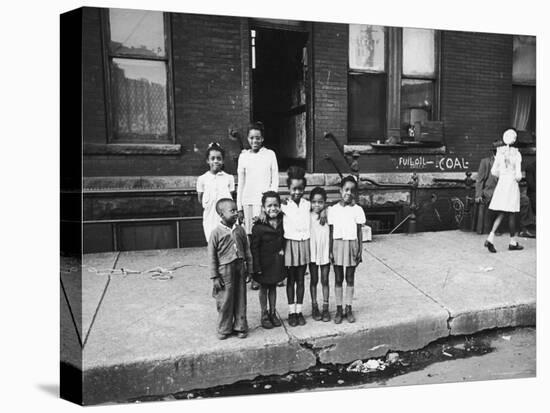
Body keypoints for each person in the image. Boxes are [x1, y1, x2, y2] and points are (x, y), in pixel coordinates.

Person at [236, 122, 279, 290]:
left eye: (258, 138)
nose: (255, 141)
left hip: (264, 204)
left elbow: (274, 180)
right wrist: (239, 206)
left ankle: (267, 274)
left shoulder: (269, 155)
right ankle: (253, 274)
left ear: (262, 138)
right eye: (252, 138)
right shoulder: (244, 156)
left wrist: (268, 204)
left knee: (264, 241)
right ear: (248, 139)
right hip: (247, 202)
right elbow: (241, 183)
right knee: (250, 242)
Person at [208, 198, 253, 340]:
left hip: (240, 267)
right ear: (221, 214)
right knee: (225, 299)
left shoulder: (240, 230)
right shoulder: (216, 233)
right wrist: (214, 276)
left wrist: (250, 269)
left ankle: (240, 326)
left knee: (240, 297)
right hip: (224, 270)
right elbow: (211, 256)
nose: (235, 213)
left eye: (236, 210)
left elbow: (247, 250)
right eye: (232, 211)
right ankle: (224, 328)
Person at [475, 140, 535, 237]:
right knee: (505, 207)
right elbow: (480, 180)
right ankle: (498, 232)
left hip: (508, 190)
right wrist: (478, 195)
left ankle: (525, 228)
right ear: (494, 151)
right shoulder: (485, 162)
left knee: (525, 200)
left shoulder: (510, 158)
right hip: (492, 191)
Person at [328, 175, 366, 324]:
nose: (348, 193)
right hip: (337, 245)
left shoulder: (357, 210)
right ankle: (338, 309)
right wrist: (330, 250)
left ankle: (348, 307)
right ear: (340, 191)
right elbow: (330, 232)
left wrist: (359, 250)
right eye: (346, 189)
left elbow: (359, 232)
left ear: (355, 193)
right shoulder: (333, 210)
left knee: (350, 278)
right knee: (338, 278)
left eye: (352, 190)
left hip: (351, 245)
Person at [250, 191, 286, 329]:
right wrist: (256, 266)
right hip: (263, 264)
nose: (273, 208)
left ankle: (273, 312)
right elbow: (254, 248)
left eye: (276, 205)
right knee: (264, 288)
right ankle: (264, 314)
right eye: (269, 205)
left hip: (276, 262)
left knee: (273, 287)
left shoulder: (283, 220)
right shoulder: (258, 226)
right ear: (263, 208)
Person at [484, 128, 524, 253]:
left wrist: (503, 175)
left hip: (501, 185)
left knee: (501, 212)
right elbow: (518, 176)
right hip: (511, 184)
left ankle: (490, 237)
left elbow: (493, 172)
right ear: (514, 140)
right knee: (511, 212)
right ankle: (512, 242)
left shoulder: (500, 153)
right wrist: (515, 177)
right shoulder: (516, 154)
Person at [281, 166, 310, 327]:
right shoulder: (284, 205)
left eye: (300, 189)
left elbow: (322, 208)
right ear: (289, 188)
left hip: (303, 244)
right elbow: (270, 211)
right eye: (294, 189)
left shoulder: (308, 204)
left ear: (304, 188)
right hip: (290, 245)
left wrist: (325, 211)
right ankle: (291, 311)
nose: (297, 192)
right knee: (290, 280)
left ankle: (299, 311)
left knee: (301, 280)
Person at [196, 143, 235, 242]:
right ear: (207, 161)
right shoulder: (202, 179)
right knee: (213, 242)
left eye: (219, 158)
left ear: (223, 160)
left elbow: (231, 198)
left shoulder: (229, 178)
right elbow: (200, 199)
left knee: (227, 243)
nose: (216, 161)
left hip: (226, 217)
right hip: (210, 217)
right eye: (212, 158)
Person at [309, 186, 331, 322]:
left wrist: (325, 210)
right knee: (314, 280)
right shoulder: (307, 213)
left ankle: (325, 307)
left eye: (320, 202)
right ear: (310, 202)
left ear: (325, 202)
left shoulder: (329, 213)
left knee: (325, 280)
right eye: (314, 202)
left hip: (324, 252)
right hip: (312, 251)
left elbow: (336, 205)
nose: (317, 205)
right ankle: (314, 306)